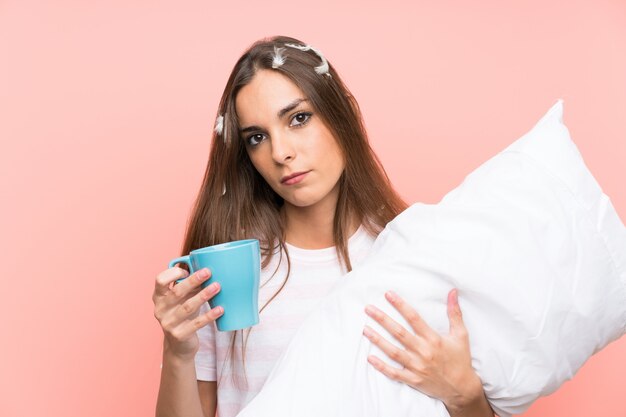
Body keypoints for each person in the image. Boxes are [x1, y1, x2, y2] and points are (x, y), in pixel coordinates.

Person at [153, 35, 495, 417]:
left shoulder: (415, 252)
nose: (280, 152)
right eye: (257, 137)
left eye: (298, 119)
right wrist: (178, 352)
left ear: (341, 115)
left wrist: (465, 395)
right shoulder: (230, 273)